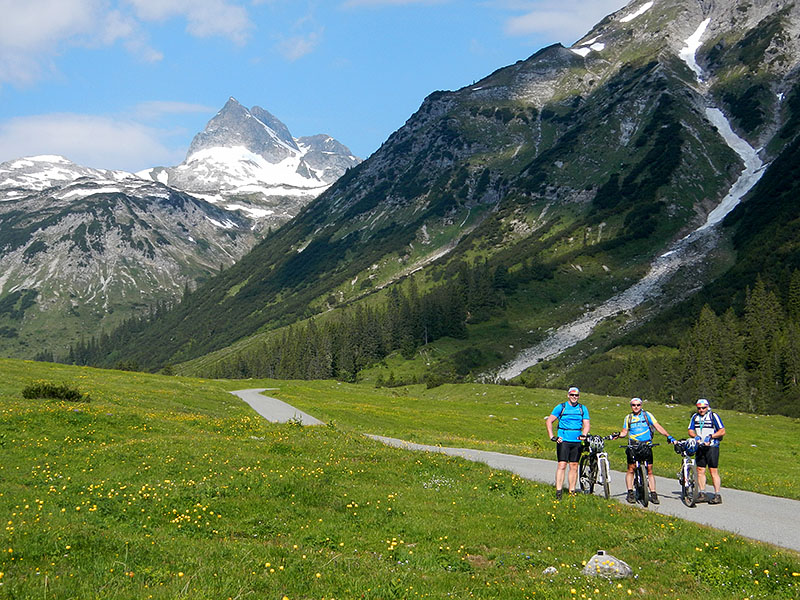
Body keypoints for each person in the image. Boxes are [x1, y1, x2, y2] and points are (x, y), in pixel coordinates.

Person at [618, 397, 675, 504]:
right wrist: (617, 435)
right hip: (633, 446)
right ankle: (630, 493)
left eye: (638, 405)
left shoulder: (647, 415)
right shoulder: (628, 418)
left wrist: (668, 436)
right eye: (633, 405)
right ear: (631, 406)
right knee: (631, 469)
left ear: (641, 405)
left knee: (649, 470)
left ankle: (653, 493)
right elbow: (624, 432)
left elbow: (657, 426)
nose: (636, 407)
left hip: (646, 445)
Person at [545, 386, 590, 499]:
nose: (574, 397)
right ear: (568, 395)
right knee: (562, 465)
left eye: (576, 395)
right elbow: (549, 421)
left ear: (579, 396)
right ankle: (559, 491)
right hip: (563, 440)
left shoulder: (582, 408)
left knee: (574, 466)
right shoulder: (561, 407)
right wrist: (552, 436)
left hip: (577, 440)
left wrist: (584, 434)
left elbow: (586, 424)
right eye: (572, 395)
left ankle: (572, 491)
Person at [688, 398, 726, 504]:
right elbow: (690, 430)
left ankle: (717, 495)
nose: (701, 410)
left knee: (713, 470)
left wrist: (711, 436)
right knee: (700, 470)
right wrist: (695, 436)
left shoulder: (713, 416)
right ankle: (702, 493)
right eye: (699, 408)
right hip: (700, 446)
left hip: (712, 446)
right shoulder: (695, 417)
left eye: (703, 408)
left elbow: (722, 431)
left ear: (707, 407)